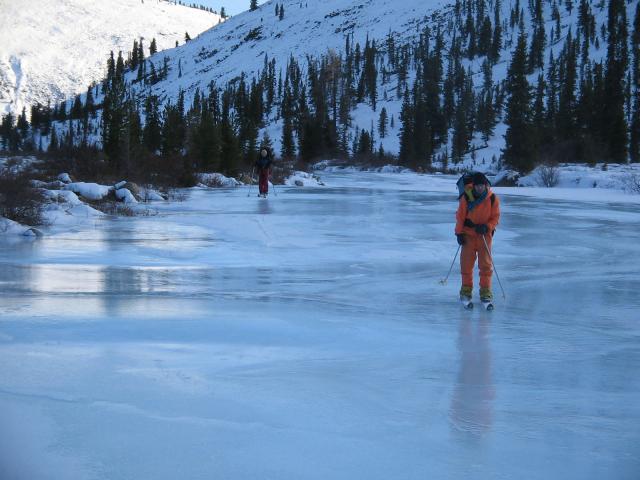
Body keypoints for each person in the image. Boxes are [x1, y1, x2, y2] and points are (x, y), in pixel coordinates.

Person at [455, 172, 500, 304]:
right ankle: (466, 291)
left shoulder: (493, 199)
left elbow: (496, 217)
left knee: (485, 266)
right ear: (473, 186)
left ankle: (485, 292)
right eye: (477, 186)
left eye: (482, 185)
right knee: (466, 265)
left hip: (484, 237)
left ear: (486, 185)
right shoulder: (466, 198)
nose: (480, 188)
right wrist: (459, 233)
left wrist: (487, 227)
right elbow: (460, 216)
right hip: (468, 235)